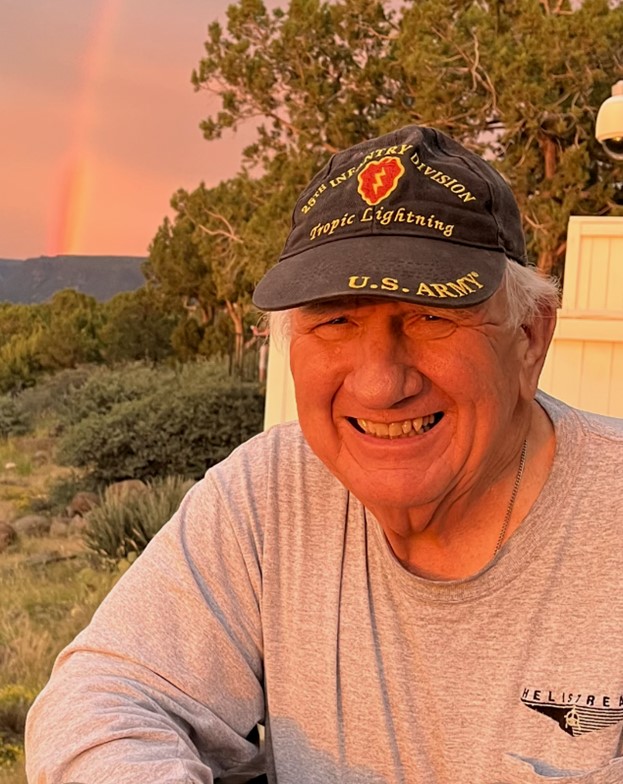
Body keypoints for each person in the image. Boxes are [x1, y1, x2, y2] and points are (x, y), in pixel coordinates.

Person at [26, 125, 623, 784]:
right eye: (335, 321)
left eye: (429, 316)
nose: (380, 382)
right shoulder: (268, 492)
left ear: (530, 338)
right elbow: (100, 697)